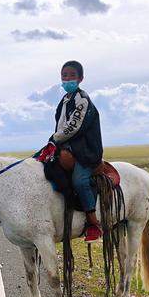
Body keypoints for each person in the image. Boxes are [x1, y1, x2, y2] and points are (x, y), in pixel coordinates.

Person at [49, 60, 104, 243]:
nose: (67, 79)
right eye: (64, 76)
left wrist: (54, 140)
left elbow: (73, 127)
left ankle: (93, 223)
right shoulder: (65, 101)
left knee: (79, 181)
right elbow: (61, 125)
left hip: (85, 151)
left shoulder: (82, 100)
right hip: (68, 147)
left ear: (80, 78)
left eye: (71, 76)